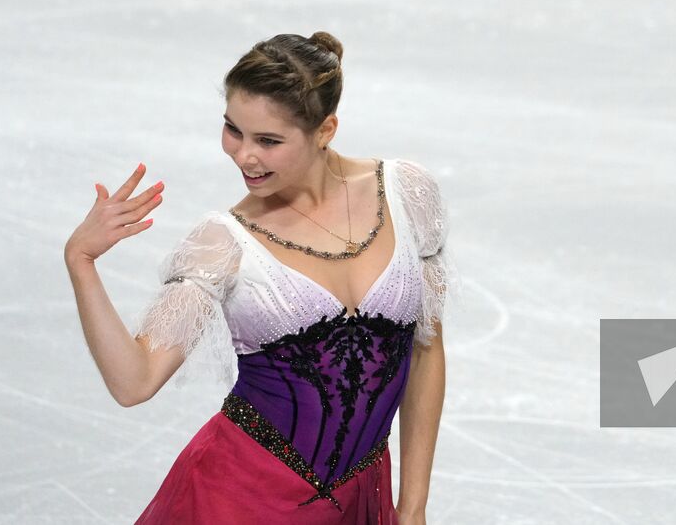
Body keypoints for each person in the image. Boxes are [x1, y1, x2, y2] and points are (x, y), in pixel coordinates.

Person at [64, 32, 450, 524]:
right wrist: (81, 261)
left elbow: (426, 345)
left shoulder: (406, 195)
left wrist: (413, 506)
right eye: (233, 130)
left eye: (268, 141)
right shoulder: (222, 243)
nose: (244, 156)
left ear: (325, 129)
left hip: (360, 501)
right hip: (238, 499)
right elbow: (133, 382)